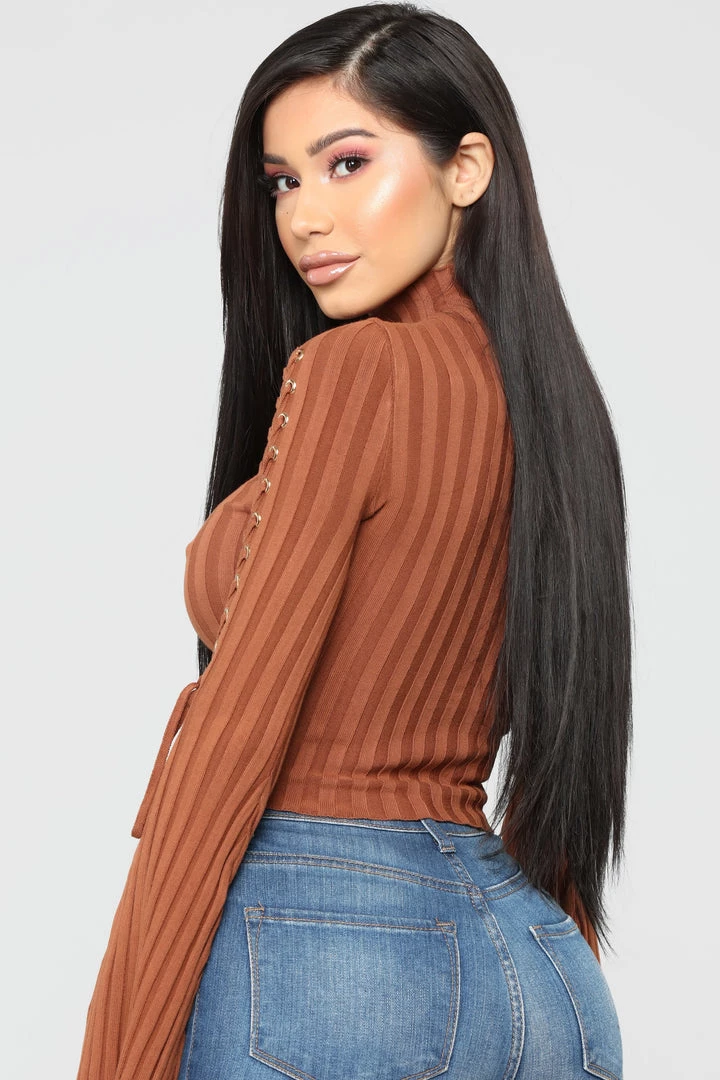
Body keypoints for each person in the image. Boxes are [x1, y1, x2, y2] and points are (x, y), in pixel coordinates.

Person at [76, 4, 631, 1079]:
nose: (304, 217)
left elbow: (237, 732)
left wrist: (121, 1057)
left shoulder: (357, 372)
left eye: (347, 163)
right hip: (541, 971)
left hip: (328, 956)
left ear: (466, 168)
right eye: (282, 182)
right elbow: (562, 735)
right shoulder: (558, 407)